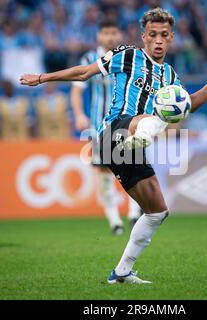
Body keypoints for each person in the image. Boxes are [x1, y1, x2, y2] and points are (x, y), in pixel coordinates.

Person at [20, 7, 207, 284]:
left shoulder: (169, 76)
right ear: (144, 36)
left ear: (171, 39)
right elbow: (85, 72)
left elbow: (189, 104)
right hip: (114, 131)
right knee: (154, 118)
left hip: (132, 147)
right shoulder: (127, 55)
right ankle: (143, 135)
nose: (158, 40)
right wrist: (42, 78)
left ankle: (121, 272)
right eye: (153, 35)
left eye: (164, 35)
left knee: (158, 212)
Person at [71, 18, 142, 235]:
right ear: (99, 36)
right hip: (98, 127)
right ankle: (114, 220)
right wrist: (79, 114)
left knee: (134, 165)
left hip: (128, 124)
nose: (110, 37)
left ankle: (133, 212)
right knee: (104, 170)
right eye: (106, 33)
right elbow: (77, 90)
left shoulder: (131, 57)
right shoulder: (89, 59)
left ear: (119, 35)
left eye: (114, 32)